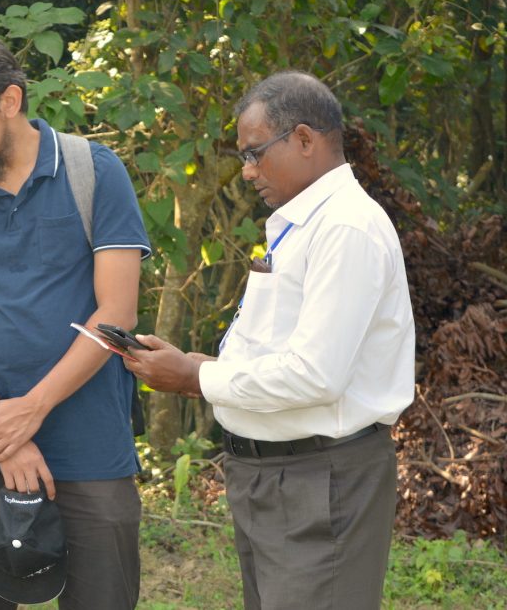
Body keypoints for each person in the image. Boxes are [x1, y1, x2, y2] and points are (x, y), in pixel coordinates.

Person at [125, 71, 415, 610]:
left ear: (304, 139)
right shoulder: (301, 224)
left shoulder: (345, 228)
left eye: (255, 153)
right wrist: (198, 368)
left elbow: (316, 375)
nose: (247, 172)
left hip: (320, 480)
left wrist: (198, 378)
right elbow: (284, 355)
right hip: (274, 476)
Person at [0, 31, 151, 609]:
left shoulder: (94, 172)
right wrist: (4, 431)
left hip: (91, 443)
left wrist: (33, 409)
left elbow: (116, 314)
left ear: (10, 101)